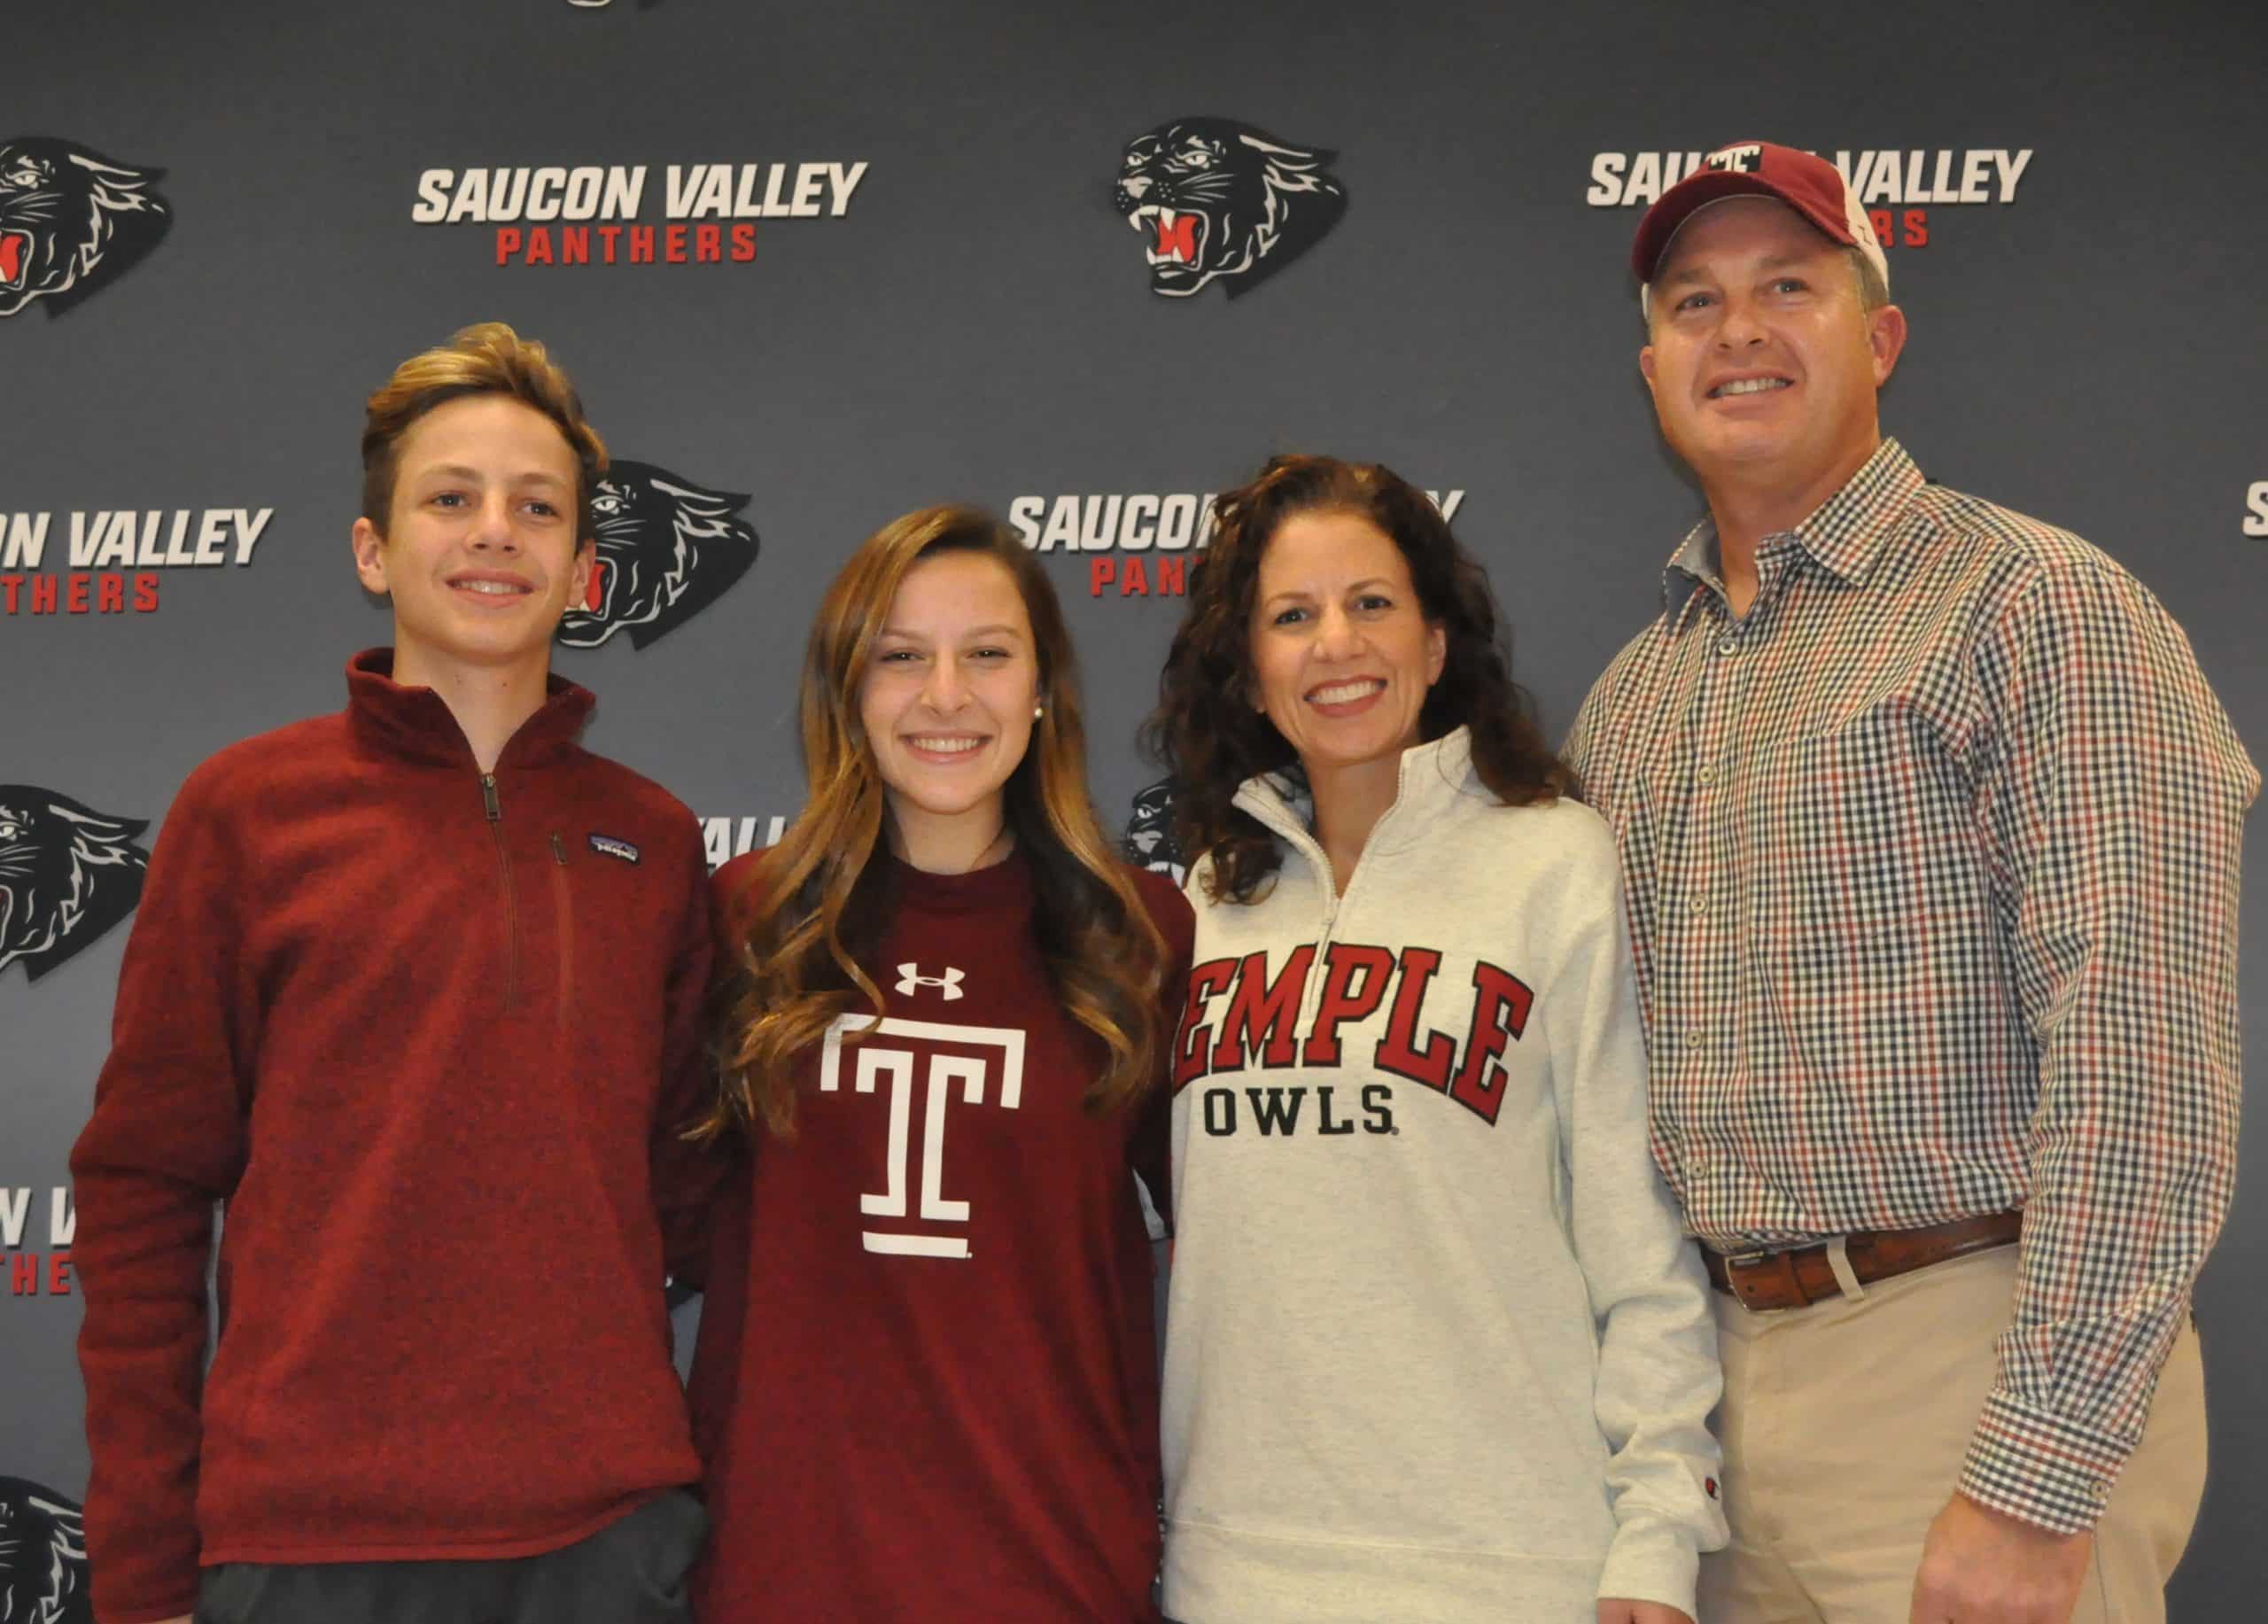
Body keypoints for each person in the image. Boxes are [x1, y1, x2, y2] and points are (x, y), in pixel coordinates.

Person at [1564, 139, 2257, 1624]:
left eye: (1787, 287)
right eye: (1694, 302)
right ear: (1651, 368)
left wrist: (2036, 1474)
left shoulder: (2037, 608)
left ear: (1879, 338)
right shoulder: (1631, 699)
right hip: (1716, 1395)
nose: (1738, 331)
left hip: (1962, 1363)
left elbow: (2141, 1065)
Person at [70, 323, 716, 1624]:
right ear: (373, 551)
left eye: (537, 507)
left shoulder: (653, 839)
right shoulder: (247, 812)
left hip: (604, 1543)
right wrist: (141, 1573)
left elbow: (697, 1192)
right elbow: (143, 1188)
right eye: (451, 499)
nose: (496, 533)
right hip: (308, 1544)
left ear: (585, 571)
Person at [1144, 455, 1725, 1624]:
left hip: (1511, 1566)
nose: (1336, 644)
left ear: (1438, 640)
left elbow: (1636, 1238)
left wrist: (1659, 1532)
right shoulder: (1205, 903)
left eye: (1372, 603)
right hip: (1239, 1567)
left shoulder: (1553, 862)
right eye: (1292, 616)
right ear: (1248, 673)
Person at [687, 506, 1193, 1621]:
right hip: (788, 1570)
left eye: (988, 655)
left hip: (1051, 1565)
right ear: (847, 691)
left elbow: (1230, 1258)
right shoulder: (745, 922)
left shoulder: (1140, 936)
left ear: (1044, 688)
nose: (947, 696)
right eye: (901, 657)